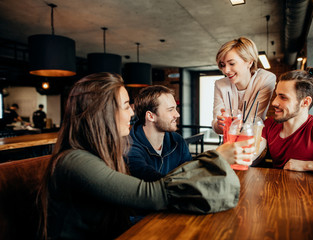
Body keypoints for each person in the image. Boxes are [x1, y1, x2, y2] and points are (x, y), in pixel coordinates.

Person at [38, 72, 255, 239]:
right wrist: (217, 156)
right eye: (126, 107)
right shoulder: (74, 162)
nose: (132, 113)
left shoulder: (105, 152)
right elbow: (151, 193)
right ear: (102, 113)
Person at [126, 85, 192, 181]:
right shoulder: (128, 148)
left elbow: (191, 173)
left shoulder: (178, 140)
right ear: (151, 116)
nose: (177, 114)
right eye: (170, 110)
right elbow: (154, 183)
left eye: (175, 108)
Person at [212, 37, 276, 134]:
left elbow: (251, 123)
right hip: (230, 143)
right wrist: (219, 124)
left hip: (253, 143)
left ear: (249, 62)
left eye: (231, 63)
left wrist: (231, 124)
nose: (226, 70)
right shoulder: (220, 84)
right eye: (223, 65)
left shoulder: (265, 79)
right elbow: (216, 125)